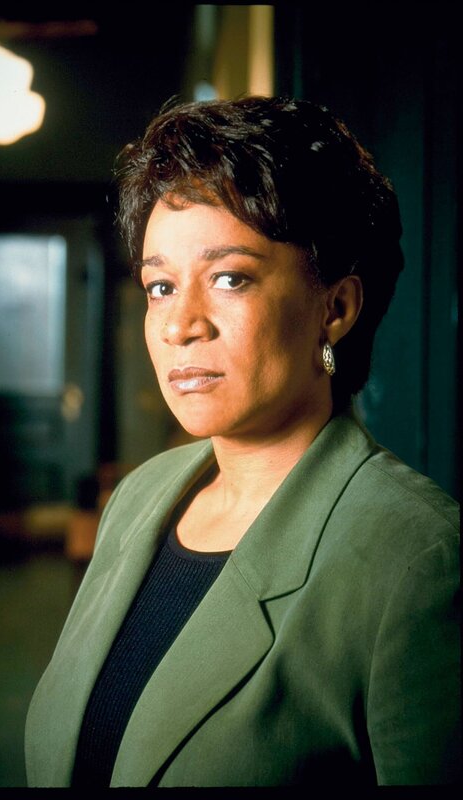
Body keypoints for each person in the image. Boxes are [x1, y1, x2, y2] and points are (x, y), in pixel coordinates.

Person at [25, 96, 460, 787]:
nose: (180, 325)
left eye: (230, 278)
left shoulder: (420, 559)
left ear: (336, 308)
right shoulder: (138, 498)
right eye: (161, 286)